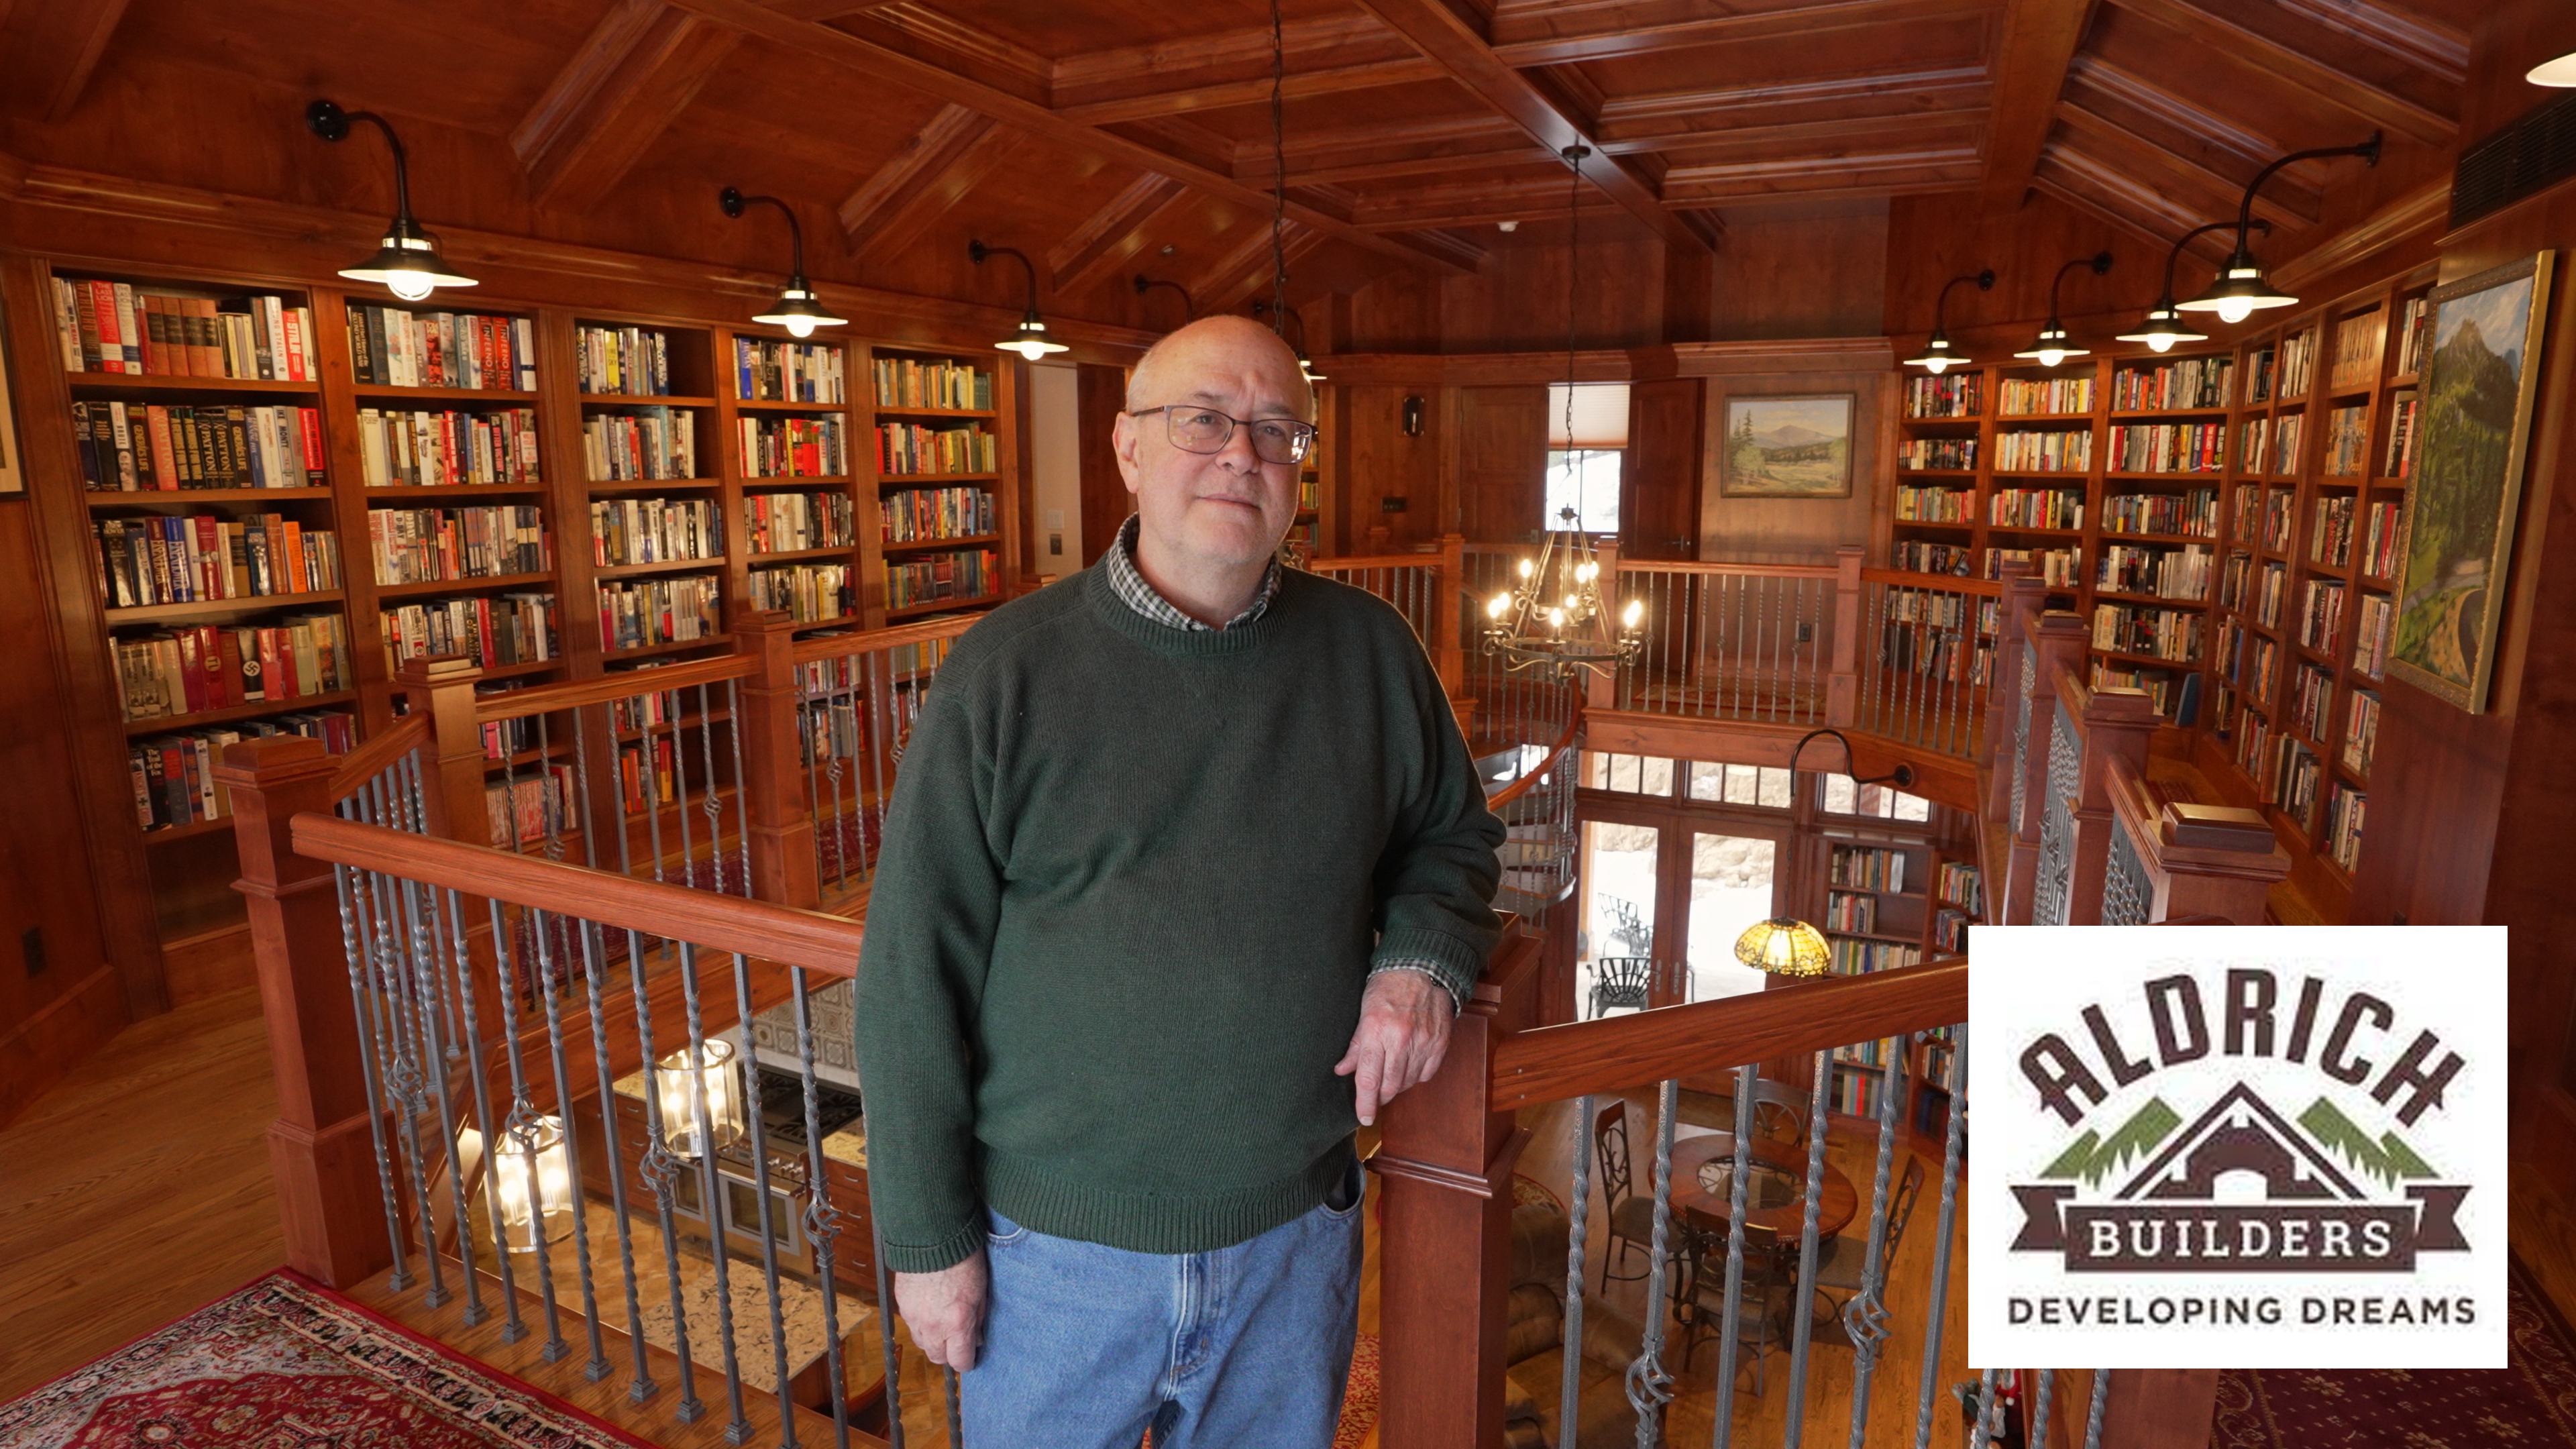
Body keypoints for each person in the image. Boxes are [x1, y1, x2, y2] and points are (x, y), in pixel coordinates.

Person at [852, 314, 1503, 1448]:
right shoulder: (1003, 674)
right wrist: (924, 1240)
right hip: (1050, 1262)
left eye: (1275, 429)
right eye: (1203, 420)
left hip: (1292, 1252)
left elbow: (1452, 837)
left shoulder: (1370, 650)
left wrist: (1420, 963)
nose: (1240, 453)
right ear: (1128, 450)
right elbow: (910, 974)